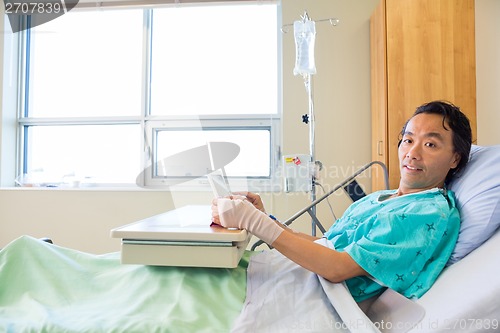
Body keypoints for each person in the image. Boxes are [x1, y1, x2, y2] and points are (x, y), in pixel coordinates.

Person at [212, 100, 472, 302]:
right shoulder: (380, 199)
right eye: (408, 140)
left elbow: (337, 267)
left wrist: (253, 221)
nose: (412, 153)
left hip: (319, 299)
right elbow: (327, 245)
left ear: (455, 159)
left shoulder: (427, 212)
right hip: (298, 277)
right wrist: (266, 219)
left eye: (430, 145)